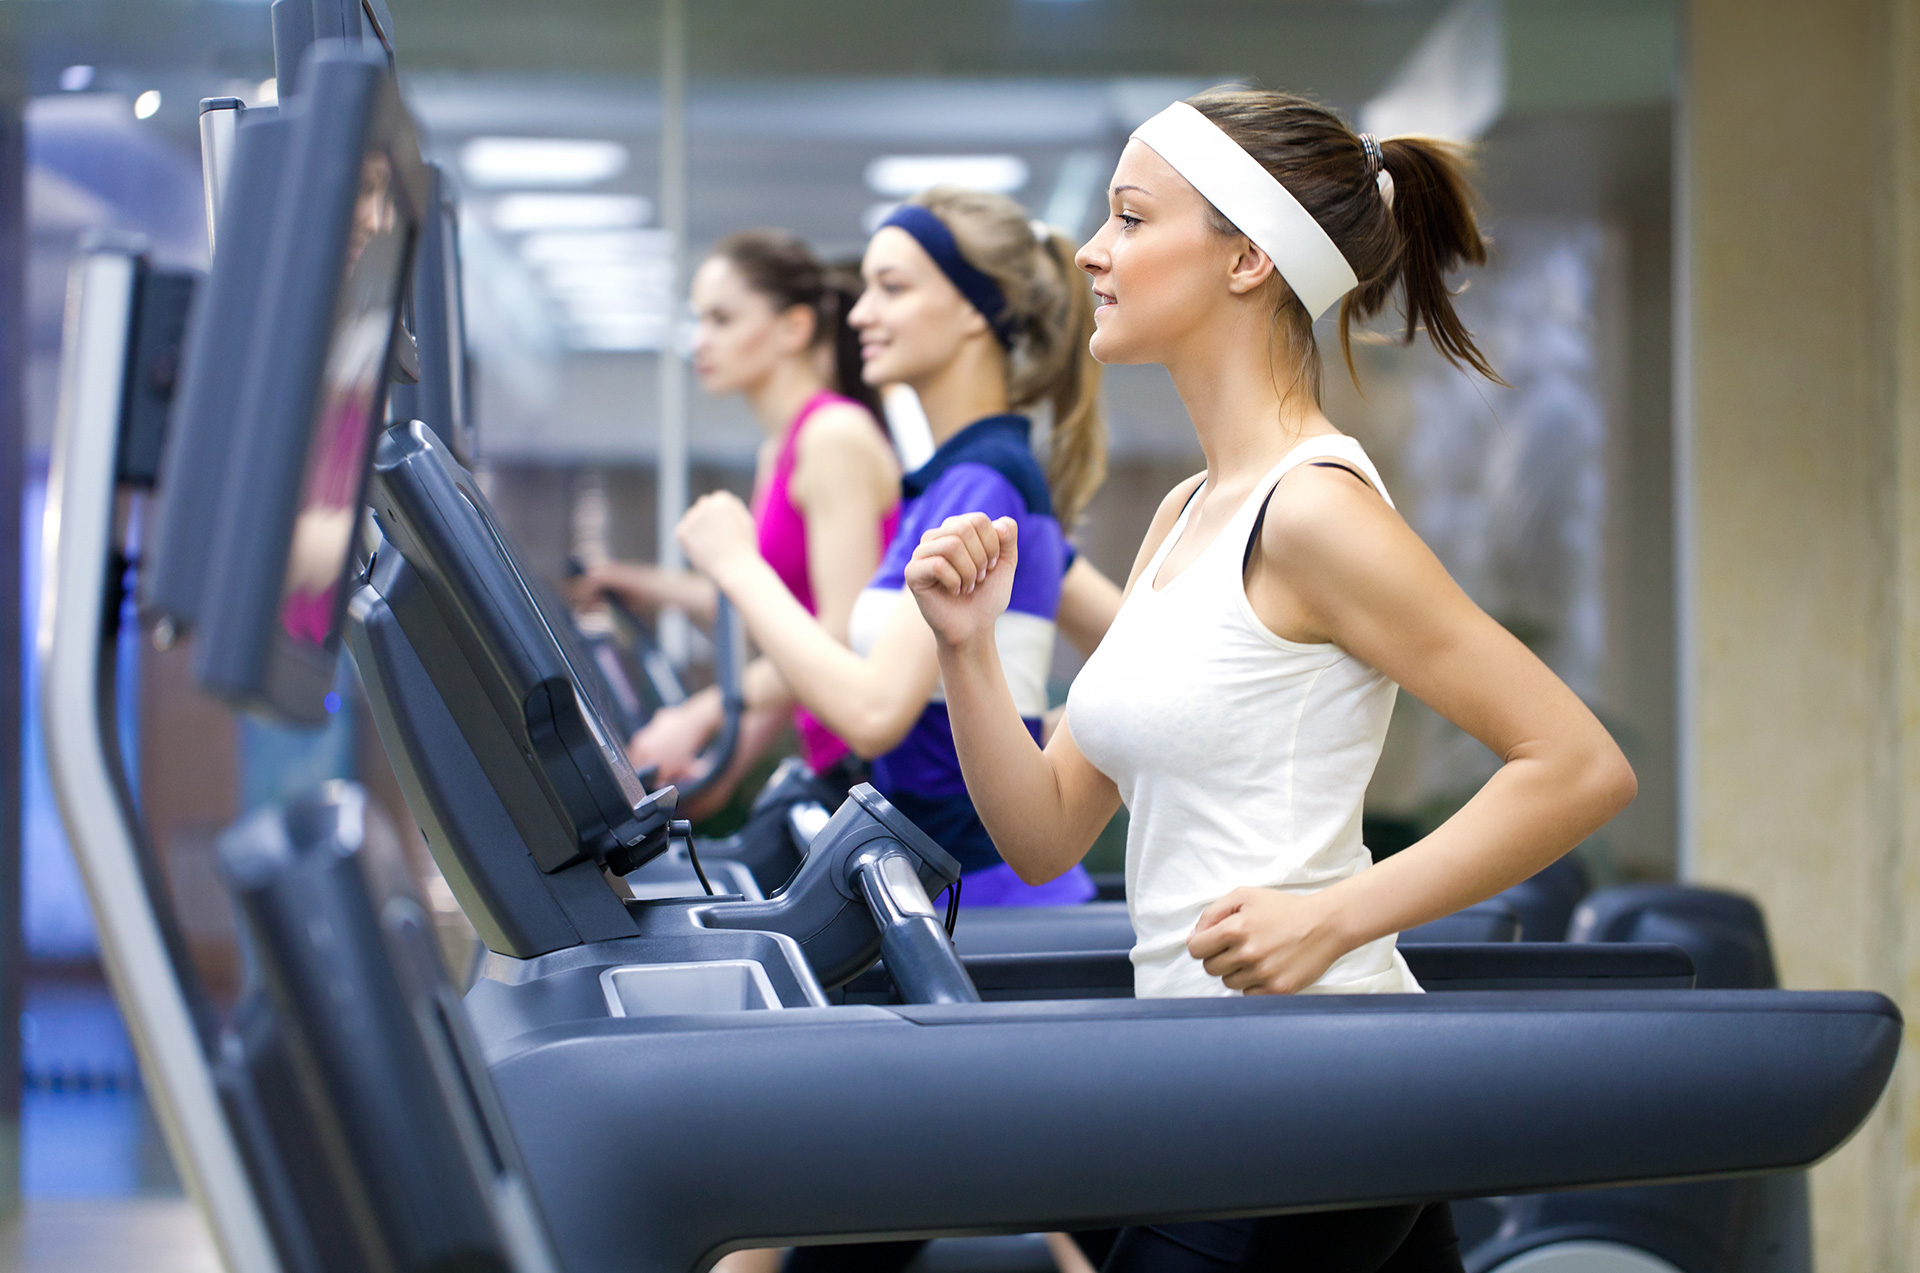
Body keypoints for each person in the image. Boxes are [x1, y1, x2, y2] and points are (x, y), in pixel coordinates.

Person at [904, 88, 1638, 1272]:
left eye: (1133, 219)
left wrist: (1334, 914)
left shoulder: (1316, 513)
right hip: (1215, 1078)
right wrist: (967, 649)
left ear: (1247, 257)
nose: (1093, 251)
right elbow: (1041, 835)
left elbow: (1577, 764)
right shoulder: (1188, 514)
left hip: (1313, 1080)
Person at [676, 187, 1111, 908]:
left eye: (893, 288)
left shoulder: (984, 480)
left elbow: (877, 712)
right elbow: (1139, 644)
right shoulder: (958, 481)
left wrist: (738, 565)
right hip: (942, 890)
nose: (858, 314)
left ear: (975, 309)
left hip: (988, 904)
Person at [578, 230, 900, 812]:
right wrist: (727, 764)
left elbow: (839, 635)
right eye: (698, 320)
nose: (700, 341)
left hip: (884, 767)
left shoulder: (834, 437)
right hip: (833, 754)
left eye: (722, 320)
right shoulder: (783, 447)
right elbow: (784, 620)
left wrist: (702, 717)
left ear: (793, 329)